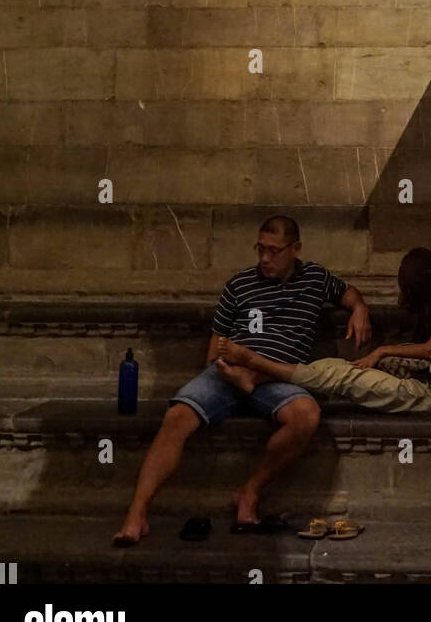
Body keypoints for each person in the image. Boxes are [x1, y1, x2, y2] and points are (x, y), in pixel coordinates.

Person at [113, 215, 370, 544]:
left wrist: (360, 307)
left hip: (278, 377)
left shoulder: (315, 279)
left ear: (296, 248)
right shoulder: (240, 284)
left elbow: (348, 293)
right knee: (177, 416)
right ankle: (136, 516)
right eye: (260, 249)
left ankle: (249, 491)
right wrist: (218, 370)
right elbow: (216, 338)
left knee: (306, 415)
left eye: (274, 251)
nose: (264, 258)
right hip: (228, 372)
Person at [215, 247, 431, 414]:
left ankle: (255, 362)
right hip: (428, 379)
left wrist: (381, 351)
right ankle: (257, 376)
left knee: (347, 378)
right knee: (337, 366)